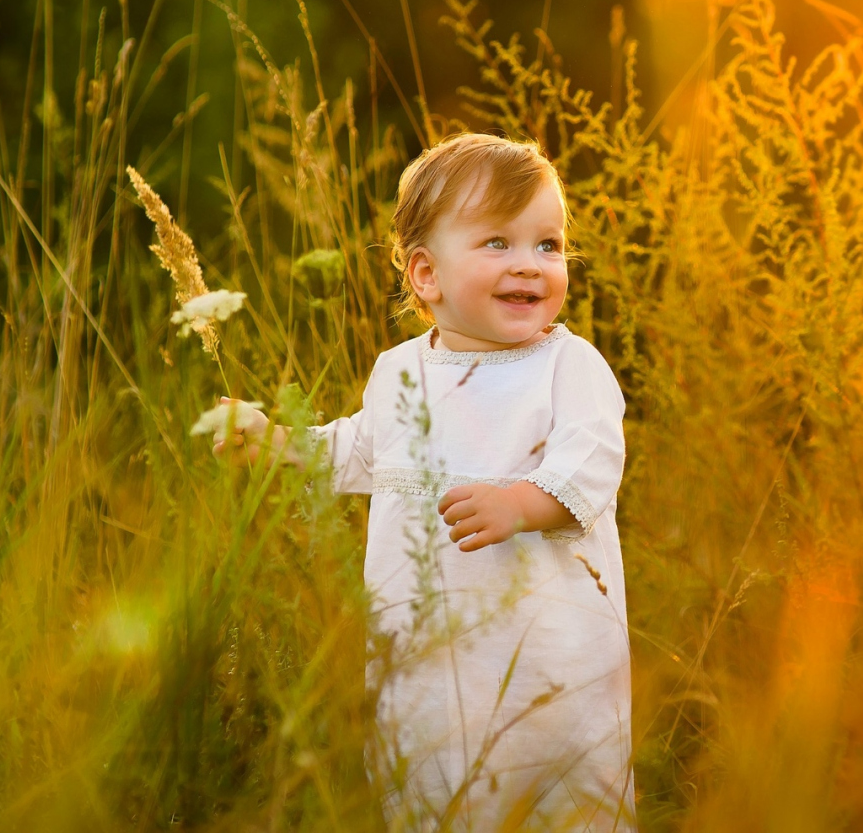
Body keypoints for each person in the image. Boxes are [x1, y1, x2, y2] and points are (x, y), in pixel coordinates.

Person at [213, 133, 634, 831]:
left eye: (549, 244)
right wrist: (278, 444)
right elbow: (359, 450)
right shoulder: (402, 370)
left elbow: (590, 464)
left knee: (556, 802)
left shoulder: (569, 365)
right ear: (425, 275)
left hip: (546, 667)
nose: (530, 265)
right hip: (426, 663)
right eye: (497, 242)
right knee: (433, 788)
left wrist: (521, 503)